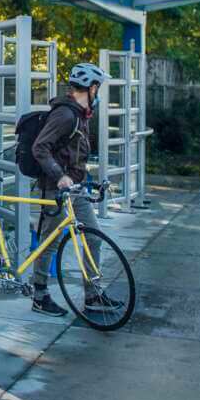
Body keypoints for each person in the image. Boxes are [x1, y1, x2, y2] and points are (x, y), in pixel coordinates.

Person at [27, 62, 126, 317]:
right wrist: (59, 177)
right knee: (50, 242)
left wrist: (87, 179)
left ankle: (92, 295)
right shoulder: (65, 115)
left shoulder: (80, 114)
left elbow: (75, 154)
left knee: (93, 236)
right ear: (91, 88)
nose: (99, 92)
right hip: (57, 189)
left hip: (76, 189)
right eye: (98, 87)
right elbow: (40, 148)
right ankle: (39, 296)